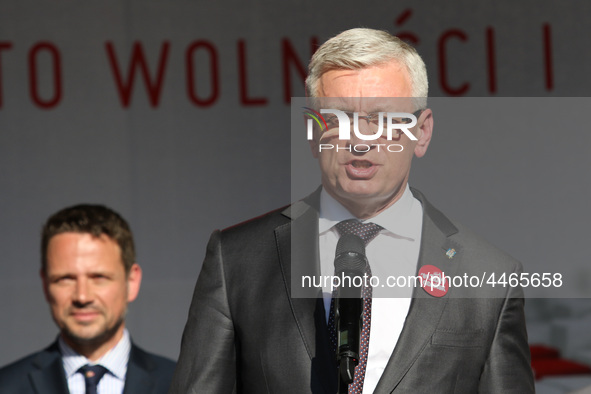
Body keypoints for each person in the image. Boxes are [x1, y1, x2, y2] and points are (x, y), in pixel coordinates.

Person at [169, 28, 534, 393]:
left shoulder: (489, 276)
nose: (361, 140)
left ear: (421, 133)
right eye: (340, 118)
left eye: (382, 119)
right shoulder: (237, 260)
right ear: (312, 132)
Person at [0, 204, 176, 394]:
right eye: (65, 279)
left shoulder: (181, 385)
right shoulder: (7, 386)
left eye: (98, 278)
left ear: (131, 282)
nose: (82, 296)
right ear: (45, 284)